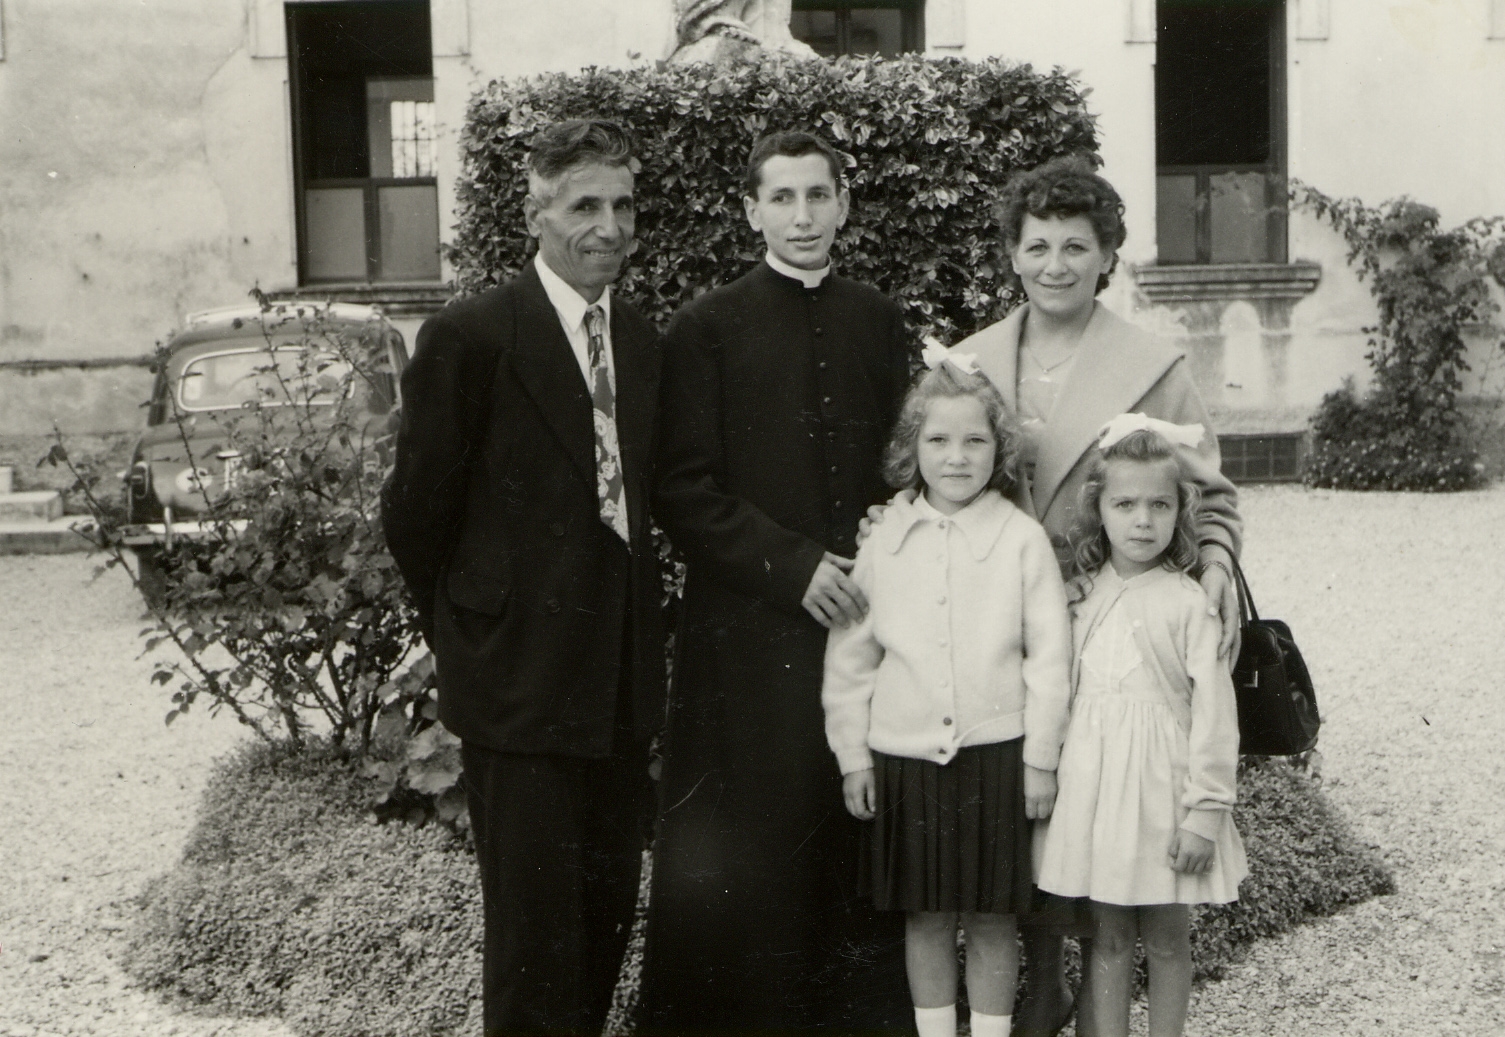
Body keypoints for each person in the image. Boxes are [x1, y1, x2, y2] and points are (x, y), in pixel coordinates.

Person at [380, 119, 665, 1037]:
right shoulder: (472, 337)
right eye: (585, 204)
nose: (609, 225)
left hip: (615, 684)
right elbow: (416, 512)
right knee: (534, 942)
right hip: (517, 683)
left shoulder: (642, 340)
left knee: (603, 914)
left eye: (623, 205)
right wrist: (471, 633)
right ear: (535, 212)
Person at [640, 130, 913, 1034]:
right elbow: (680, 485)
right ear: (750, 210)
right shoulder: (705, 326)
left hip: (864, 623)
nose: (802, 216)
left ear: (843, 204)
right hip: (750, 637)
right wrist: (794, 569)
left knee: (854, 827)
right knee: (753, 851)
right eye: (782, 198)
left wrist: (882, 535)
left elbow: (902, 467)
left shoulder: (876, 317)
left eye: (817, 195)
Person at [821, 351, 1073, 1037]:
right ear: (911, 448)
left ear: (998, 449)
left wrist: (1041, 757)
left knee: (993, 916)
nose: (956, 457)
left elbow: (1050, 658)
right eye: (937, 439)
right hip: (903, 759)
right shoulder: (884, 541)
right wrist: (852, 756)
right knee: (925, 915)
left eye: (974, 440)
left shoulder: (1020, 540)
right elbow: (850, 656)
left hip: (997, 757)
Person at [1036, 418, 1248, 1037]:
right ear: (1097, 509)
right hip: (1097, 801)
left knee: (1166, 937)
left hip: (1164, 799)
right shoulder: (1079, 599)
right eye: (1124, 504)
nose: (1142, 521)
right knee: (1104, 938)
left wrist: (1205, 811)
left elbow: (1215, 716)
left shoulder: (1190, 604)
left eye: (1159, 505)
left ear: (1180, 510)